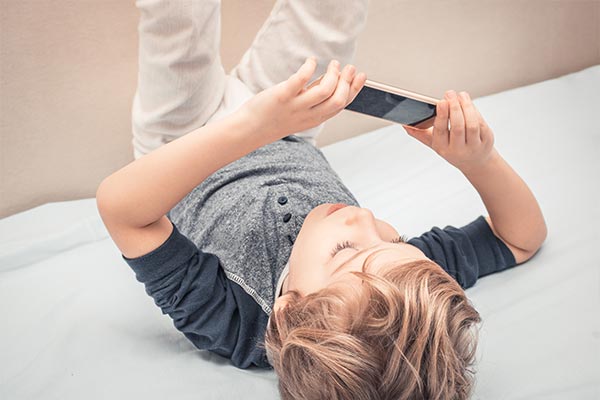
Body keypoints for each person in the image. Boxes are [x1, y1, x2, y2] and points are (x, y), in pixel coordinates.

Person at [97, 1, 547, 399]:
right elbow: (521, 239)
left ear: (289, 308)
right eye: (394, 240)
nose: (364, 219)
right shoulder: (402, 288)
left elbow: (123, 209)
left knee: (177, 16)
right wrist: (480, 160)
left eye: (344, 249)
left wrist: (251, 127)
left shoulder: (234, 323)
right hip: (288, 124)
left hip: (182, 133)